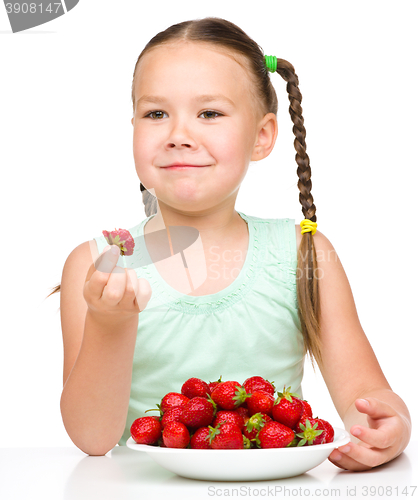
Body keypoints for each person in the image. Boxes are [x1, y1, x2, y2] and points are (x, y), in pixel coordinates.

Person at [47, 17, 411, 470]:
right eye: (156, 113)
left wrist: (389, 426)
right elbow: (92, 438)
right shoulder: (99, 262)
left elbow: (367, 395)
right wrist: (108, 323)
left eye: (210, 113)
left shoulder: (304, 253)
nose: (178, 134)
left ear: (262, 136)